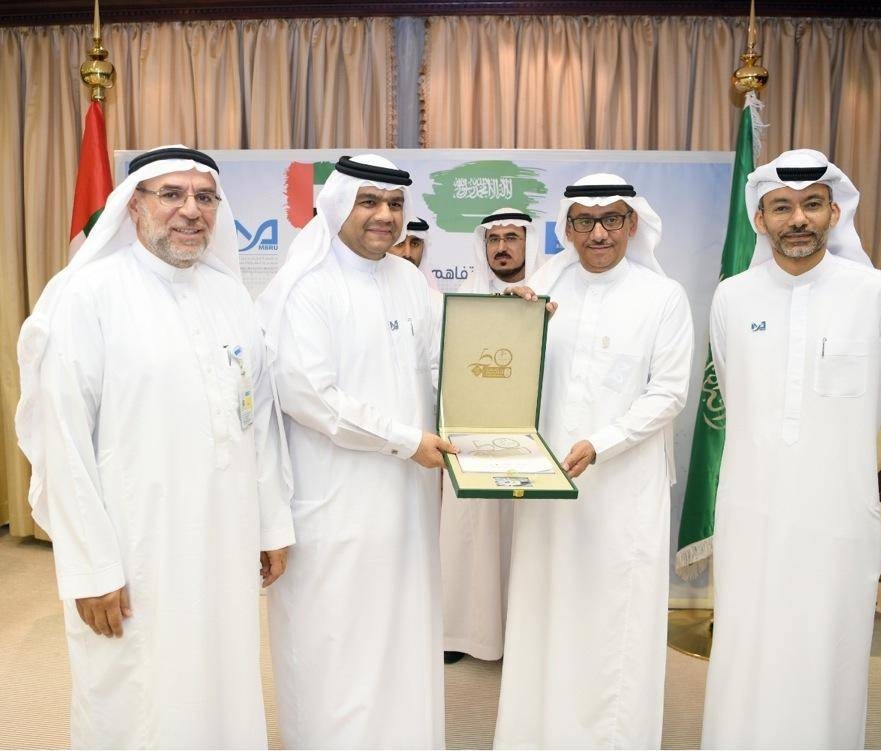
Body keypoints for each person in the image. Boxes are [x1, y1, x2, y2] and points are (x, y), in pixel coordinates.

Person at [14, 145, 295, 748]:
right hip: (134, 550)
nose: (190, 211)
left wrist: (271, 524)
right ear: (134, 205)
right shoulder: (88, 296)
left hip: (224, 541)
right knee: (135, 695)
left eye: (204, 197)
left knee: (222, 681)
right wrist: (91, 567)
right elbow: (63, 440)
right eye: (171, 195)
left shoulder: (232, 299)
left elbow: (259, 424)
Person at [700, 149, 881, 749]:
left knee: (830, 642)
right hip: (754, 504)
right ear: (760, 218)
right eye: (782, 207)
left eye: (812, 205)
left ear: (834, 212)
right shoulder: (732, 297)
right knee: (751, 636)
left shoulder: (875, 293)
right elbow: (734, 384)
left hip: (837, 507)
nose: (798, 219)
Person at [256, 154, 456, 748]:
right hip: (334, 505)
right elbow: (310, 396)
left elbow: (448, 365)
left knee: (401, 635)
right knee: (336, 643)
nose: (384, 216)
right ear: (339, 205)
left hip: (407, 503)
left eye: (395, 205)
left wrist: (515, 330)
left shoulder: (410, 282)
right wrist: (404, 440)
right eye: (369, 202)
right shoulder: (307, 287)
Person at [493, 175, 694, 748]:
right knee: (545, 611)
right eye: (584, 220)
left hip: (622, 489)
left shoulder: (663, 298)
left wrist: (602, 442)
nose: (598, 232)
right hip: (548, 486)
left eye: (612, 219)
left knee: (613, 623)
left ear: (633, 224)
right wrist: (512, 324)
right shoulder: (544, 292)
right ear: (568, 228)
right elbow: (506, 374)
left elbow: (669, 393)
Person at [439, 208, 543, 665]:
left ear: (529, 243)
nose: (501, 247)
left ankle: (520, 634)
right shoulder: (464, 299)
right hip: (472, 434)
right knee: (470, 535)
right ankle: (464, 634)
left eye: (511, 238)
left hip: (530, 438)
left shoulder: (552, 293)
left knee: (523, 537)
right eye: (493, 239)